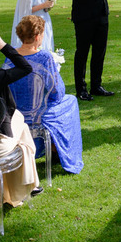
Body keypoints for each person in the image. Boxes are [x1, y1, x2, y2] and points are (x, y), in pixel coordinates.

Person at [7, 14, 83, 173]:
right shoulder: (44, 57)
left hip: (15, 114)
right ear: (36, 36)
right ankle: (58, 150)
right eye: (42, 34)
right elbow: (57, 91)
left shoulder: (10, 58)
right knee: (70, 101)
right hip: (38, 116)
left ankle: (55, 148)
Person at [0, 33, 41, 206]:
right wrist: (3, 46)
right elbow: (26, 67)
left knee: (19, 125)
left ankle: (28, 186)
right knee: (20, 124)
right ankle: (30, 185)